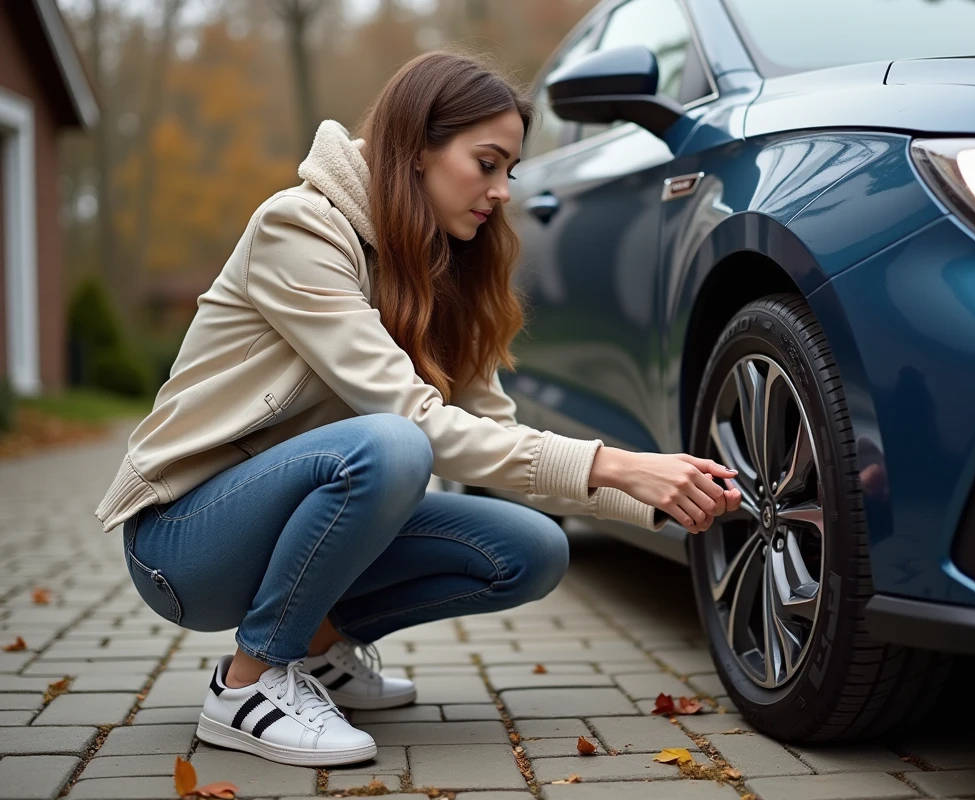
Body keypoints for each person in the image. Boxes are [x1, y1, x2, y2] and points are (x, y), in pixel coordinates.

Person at [94, 50, 741, 767]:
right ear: (416, 151)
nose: (500, 191)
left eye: (510, 172)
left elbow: (496, 440)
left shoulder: (444, 270)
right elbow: (413, 420)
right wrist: (616, 463)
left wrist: (652, 497)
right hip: (183, 542)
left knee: (532, 550)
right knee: (394, 446)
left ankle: (316, 648)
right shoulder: (300, 231)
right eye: (486, 162)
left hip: (291, 516)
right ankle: (248, 684)